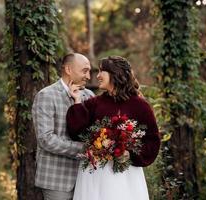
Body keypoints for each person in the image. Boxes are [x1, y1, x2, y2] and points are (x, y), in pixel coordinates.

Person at [66, 56, 160, 200]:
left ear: (114, 74)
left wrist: (129, 154)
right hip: (95, 174)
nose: (97, 76)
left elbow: (152, 141)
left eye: (101, 71)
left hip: (125, 175)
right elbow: (77, 132)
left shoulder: (140, 106)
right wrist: (77, 101)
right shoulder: (95, 103)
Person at [31, 53, 95, 200]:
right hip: (56, 179)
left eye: (89, 71)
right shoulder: (46, 95)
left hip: (86, 177)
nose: (88, 76)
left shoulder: (89, 96)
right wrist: (83, 148)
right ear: (68, 69)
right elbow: (46, 139)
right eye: (84, 70)